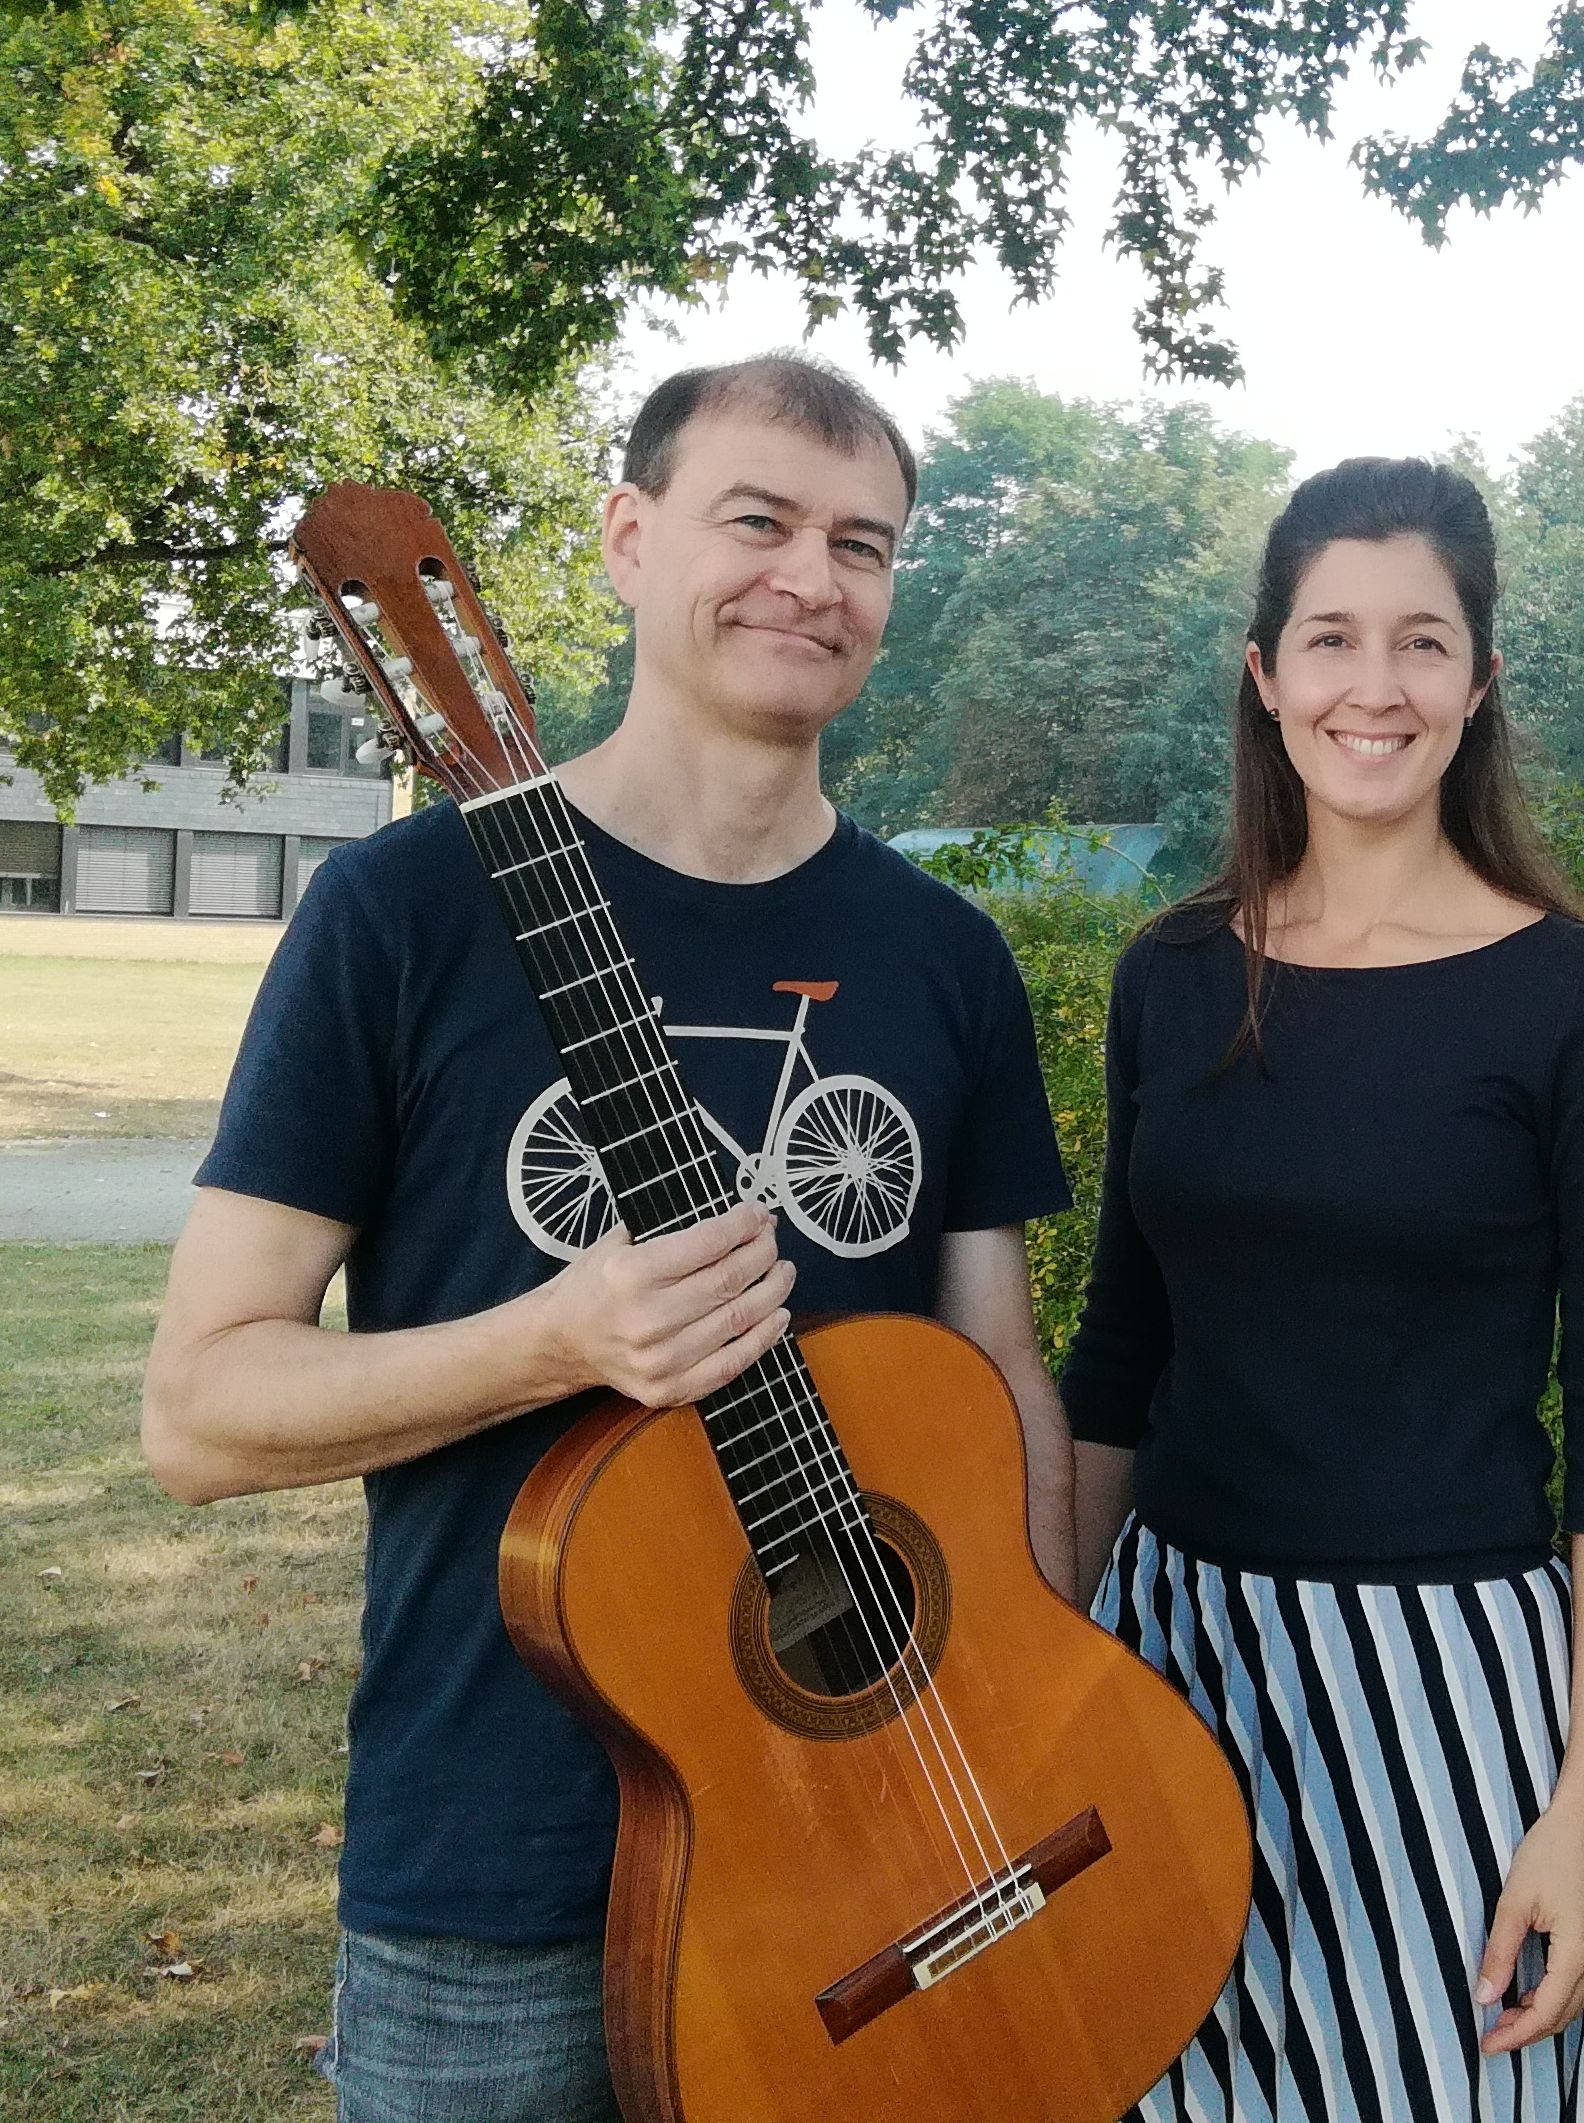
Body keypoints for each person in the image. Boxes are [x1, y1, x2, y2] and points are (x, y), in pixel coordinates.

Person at [139, 353, 1078, 2123]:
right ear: (629, 541)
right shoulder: (397, 915)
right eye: (758, 520)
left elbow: (1000, 1367)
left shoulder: (944, 959)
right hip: (495, 1884)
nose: (811, 575)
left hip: (880, 1832)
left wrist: (1025, 1711)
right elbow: (198, 1412)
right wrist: (552, 1342)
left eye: (862, 544)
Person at [1060, 457, 1584, 2123]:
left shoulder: (1579, 1001)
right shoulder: (1176, 974)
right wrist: (1033, 1676)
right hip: (1169, 1658)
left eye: (1423, 642)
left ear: (1478, 686)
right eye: (1329, 638)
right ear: (1266, 679)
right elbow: (1117, 1358)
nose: (1374, 685)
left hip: (1445, 1691)